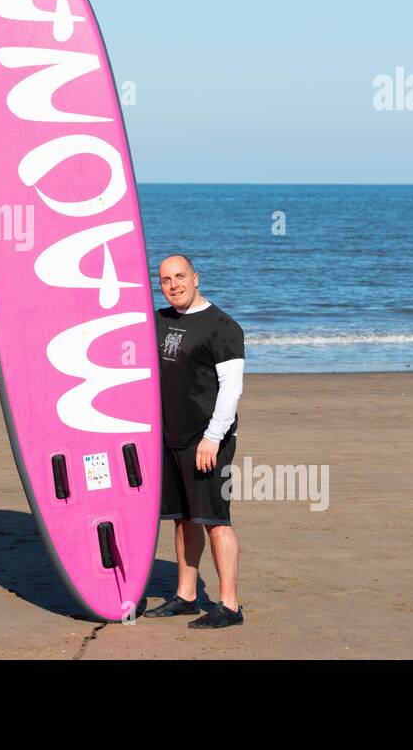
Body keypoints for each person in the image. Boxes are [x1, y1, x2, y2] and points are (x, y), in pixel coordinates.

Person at [144, 255, 246, 629]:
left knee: (214, 520)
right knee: (183, 518)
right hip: (168, 437)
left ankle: (230, 605)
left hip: (206, 440)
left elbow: (232, 388)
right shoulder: (157, 320)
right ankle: (186, 596)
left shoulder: (222, 327)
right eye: (166, 280)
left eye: (180, 277)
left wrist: (212, 438)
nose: (174, 285)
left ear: (196, 277)